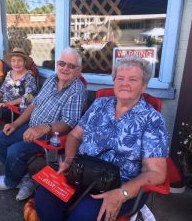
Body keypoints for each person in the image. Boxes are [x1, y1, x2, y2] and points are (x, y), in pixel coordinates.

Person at [35, 56, 169, 221]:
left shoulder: (152, 119)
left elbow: (156, 172)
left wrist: (123, 192)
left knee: (84, 215)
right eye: (120, 78)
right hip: (81, 172)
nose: (124, 83)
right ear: (114, 81)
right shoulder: (100, 104)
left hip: (119, 185)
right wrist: (69, 161)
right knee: (44, 198)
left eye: (133, 79)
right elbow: (74, 135)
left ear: (144, 85)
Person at [0, 47, 87, 201]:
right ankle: (24, 177)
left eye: (71, 66)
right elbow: (34, 104)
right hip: (30, 127)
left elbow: (69, 122)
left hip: (48, 138)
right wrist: (16, 124)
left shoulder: (77, 90)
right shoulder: (51, 79)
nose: (65, 68)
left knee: (15, 151)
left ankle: (11, 181)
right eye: (62, 64)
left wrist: (44, 128)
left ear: (78, 70)